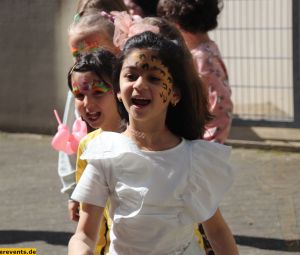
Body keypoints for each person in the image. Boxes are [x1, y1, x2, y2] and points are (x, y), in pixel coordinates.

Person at [68, 31, 238, 255]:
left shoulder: (194, 158)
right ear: (118, 90)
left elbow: (216, 231)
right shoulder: (105, 153)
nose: (139, 84)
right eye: (131, 76)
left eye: (154, 78)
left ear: (175, 93)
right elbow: (84, 235)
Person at [57, 0, 128, 207]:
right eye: (77, 55)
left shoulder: (134, 89)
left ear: (120, 43)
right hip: (95, 193)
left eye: (94, 50)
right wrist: (73, 191)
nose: (86, 60)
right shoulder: (80, 92)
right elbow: (70, 142)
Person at [157, 0, 233, 144]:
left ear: (177, 25)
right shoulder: (207, 49)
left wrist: (208, 145)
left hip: (202, 144)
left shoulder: (202, 59)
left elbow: (220, 106)